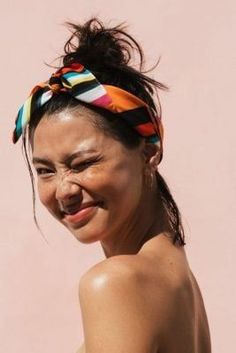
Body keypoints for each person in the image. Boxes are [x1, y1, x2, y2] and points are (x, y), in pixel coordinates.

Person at [13, 18, 211, 353]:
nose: (64, 190)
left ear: (149, 152)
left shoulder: (115, 284)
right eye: (45, 171)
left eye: (84, 164)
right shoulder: (180, 281)